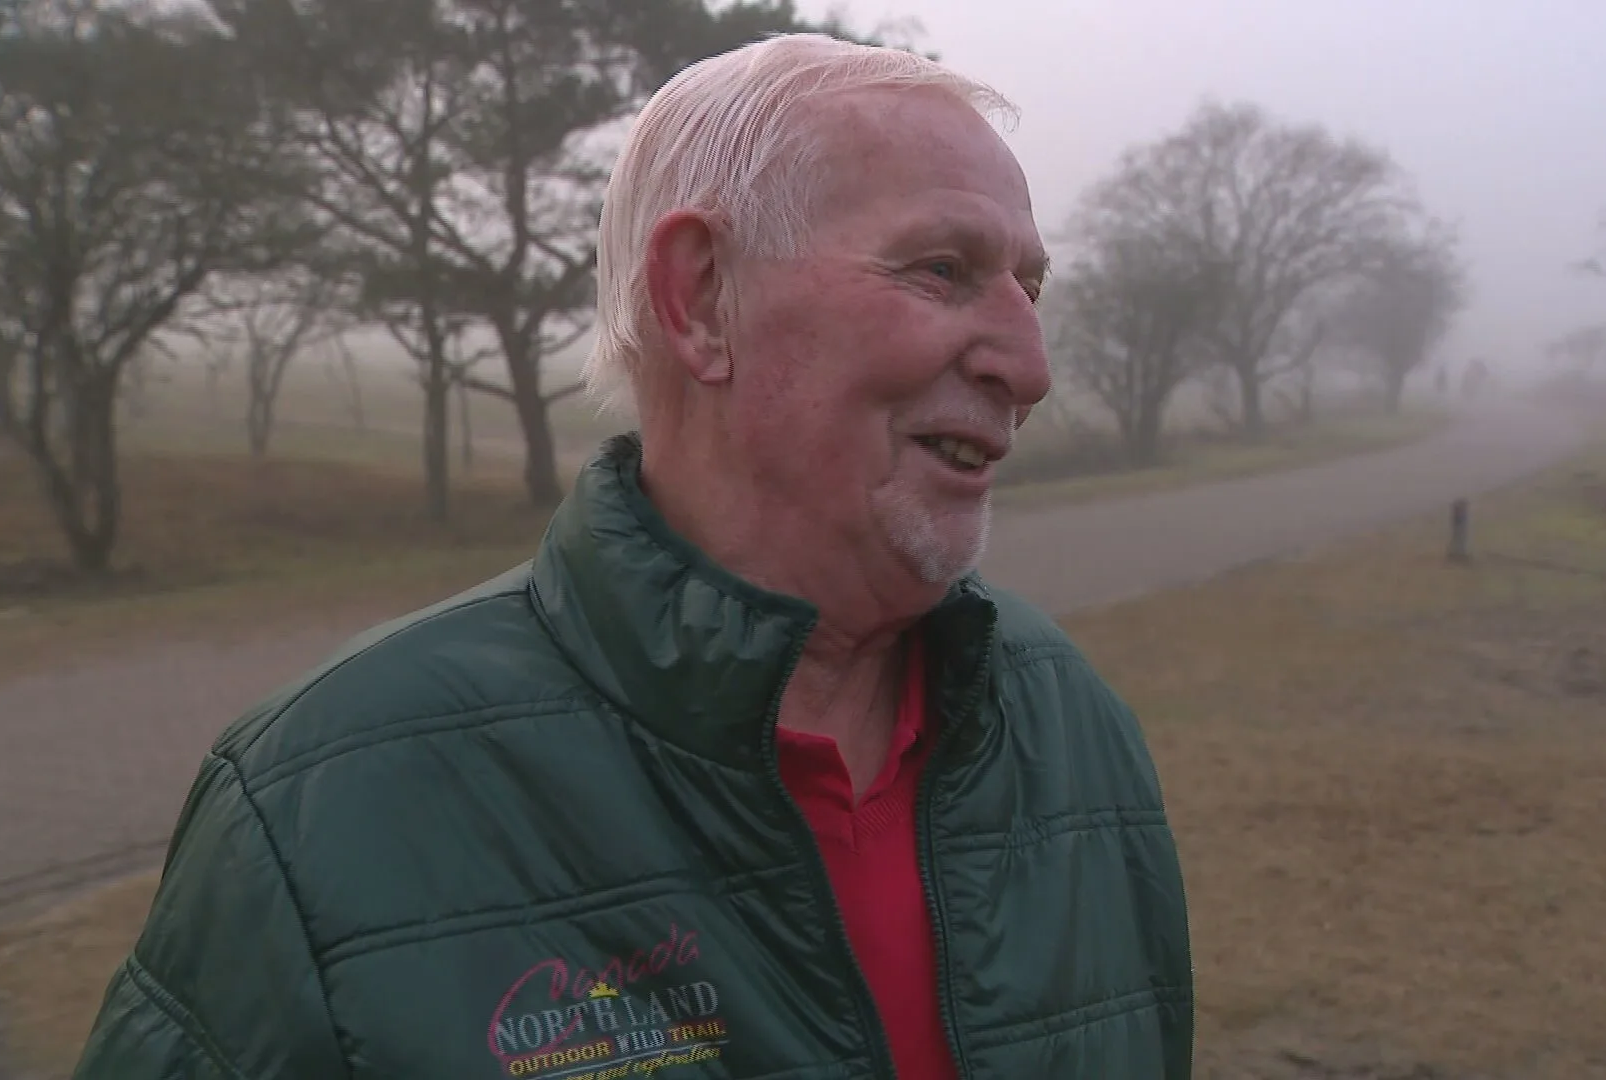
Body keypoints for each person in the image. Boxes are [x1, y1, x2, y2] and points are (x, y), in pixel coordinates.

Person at [74, 33, 1193, 1079]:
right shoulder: (323, 804)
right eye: (944, 269)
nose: (1030, 364)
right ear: (702, 297)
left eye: (1029, 285)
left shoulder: (1068, 722)